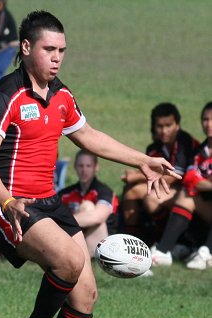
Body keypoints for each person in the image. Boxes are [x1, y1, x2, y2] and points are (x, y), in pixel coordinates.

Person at [0, 10, 181, 318]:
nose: (57, 57)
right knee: (69, 260)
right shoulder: (5, 95)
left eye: (62, 50)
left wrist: (142, 159)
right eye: (49, 49)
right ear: (26, 47)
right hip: (9, 204)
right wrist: (6, 199)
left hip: (49, 202)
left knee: (85, 294)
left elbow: (86, 135)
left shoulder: (61, 95)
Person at [121, 103, 199, 245]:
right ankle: (133, 240)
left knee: (141, 193)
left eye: (168, 125)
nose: (164, 131)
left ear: (177, 125)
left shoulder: (184, 141)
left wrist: (136, 176)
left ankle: (140, 241)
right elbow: (148, 170)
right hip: (169, 189)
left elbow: (174, 176)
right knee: (132, 190)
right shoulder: (154, 147)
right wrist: (134, 174)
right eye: (159, 126)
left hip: (188, 192)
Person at [151, 102, 212, 269]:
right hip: (206, 205)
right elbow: (190, 178)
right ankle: (163, 252)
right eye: (205, 119)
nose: (209, 124)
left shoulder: (186, 143)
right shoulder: (201, 150)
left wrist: (201, 183)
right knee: (186, 195)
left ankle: (206, 253)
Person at [59, 149, 119, 258]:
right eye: (80, 166)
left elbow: (97, 217)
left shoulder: (104, 192)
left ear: (96, 167)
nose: (84, 170)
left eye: (88, 166)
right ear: (75, 167)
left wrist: (61, 223)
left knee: (88, 207)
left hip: (105, 244)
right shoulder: (65, 193)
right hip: (74, 239)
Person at [0, 0, 19, 83]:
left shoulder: (3, 14)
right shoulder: (1, 14)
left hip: (8, 47)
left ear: (0, 4)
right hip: (5, 47)